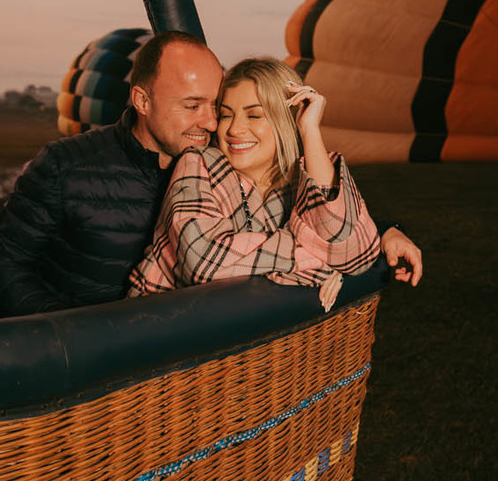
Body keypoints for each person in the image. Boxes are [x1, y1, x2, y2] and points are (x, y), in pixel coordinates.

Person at [0, 32, 422, 314]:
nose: (214, 124)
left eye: (216, 106)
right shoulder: (65, 167)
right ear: (142, 101)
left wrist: (383, 232)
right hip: (87, 346)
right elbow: (2, 263)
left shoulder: (222, 159)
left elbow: (295, 202)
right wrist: (66, 335)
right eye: (194, 107)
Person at [129, 57, 379, 310]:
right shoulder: (200, 162)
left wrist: (310, 131)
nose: (235, 129)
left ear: (287, 119)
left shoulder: (301, 177)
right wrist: (317, 259)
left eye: (254, 115)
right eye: (226, 115)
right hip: (158, 325)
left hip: (252, 331)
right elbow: (204, 263)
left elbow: (355, 255)